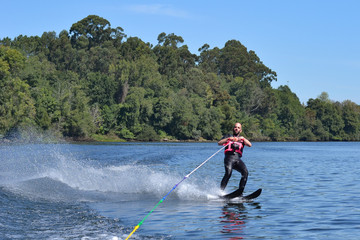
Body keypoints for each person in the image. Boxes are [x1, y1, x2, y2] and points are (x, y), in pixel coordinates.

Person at [218, 122, 252, 196]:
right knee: (228, 173)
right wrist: (229, 139)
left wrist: (243, 138)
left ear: (241, 130)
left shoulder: (242, 139)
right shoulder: (228, 136)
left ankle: (240, 192)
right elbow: (219, 143)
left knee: (245, 173)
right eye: (235, 127)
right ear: (233, 129)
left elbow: (250, 145)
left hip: (237, 159)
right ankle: (220, 192)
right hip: (229, 158)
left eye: (238, 128)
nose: (236, 129)